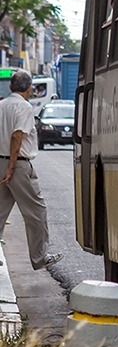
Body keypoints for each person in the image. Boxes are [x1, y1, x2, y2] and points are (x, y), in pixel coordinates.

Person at [0, 69, 62, 269]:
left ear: (11, 87)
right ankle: (39, 257)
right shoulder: (24, 107)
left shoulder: (1, 105)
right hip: (17, 165)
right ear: (28, 88)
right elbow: (17, 136)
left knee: (0, 211)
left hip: (1, 162)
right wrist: (11, 167)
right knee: (36, 211)